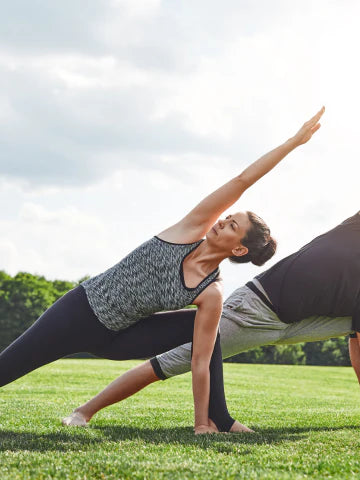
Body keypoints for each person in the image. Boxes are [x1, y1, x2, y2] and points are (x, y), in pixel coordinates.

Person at [64, 146, 360, 429]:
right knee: (173, 361)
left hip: (296, 325)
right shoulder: (354, 233)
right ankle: (85, 411)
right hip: (255, 310)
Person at [0, 108, 325, 434]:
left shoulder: (211, 292)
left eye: (232, 225)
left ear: (239, 248)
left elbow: (200, 360)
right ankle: (216, 420)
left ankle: (217, 420)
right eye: (227, 217)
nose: (223, 220)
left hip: (117, 338)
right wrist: (293, 142)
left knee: (206, 336)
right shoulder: (191, 229)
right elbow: (243, 180)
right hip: (80, 312)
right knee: (8, 367)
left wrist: (200, 425)